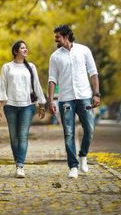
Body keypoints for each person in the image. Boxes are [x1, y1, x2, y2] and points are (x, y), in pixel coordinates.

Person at [48, 24, 101, 179]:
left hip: (84, 96)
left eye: (57, 36)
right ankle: (73, 166)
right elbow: (52, 79)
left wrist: (96, 93)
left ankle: (83, 155)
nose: (55, 39)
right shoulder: (55, 56)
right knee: (69, 133)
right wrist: (51, 100)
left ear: (66, 36)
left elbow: (93, 73)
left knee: (90, 129)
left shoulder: (84, 50)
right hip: (65, 99)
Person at [0, 40, 46, 178]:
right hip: (10, 106)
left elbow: (37, 85)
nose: (25, 49)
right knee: (13, 137)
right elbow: (2, 86)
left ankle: (20, 166)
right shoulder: (7, 67)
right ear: (16, 51)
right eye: (22, 48)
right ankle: (18, 163)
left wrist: (41, 105)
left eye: (26, 47)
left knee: (22, 135)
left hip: (27, 106)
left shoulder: (31, 67)